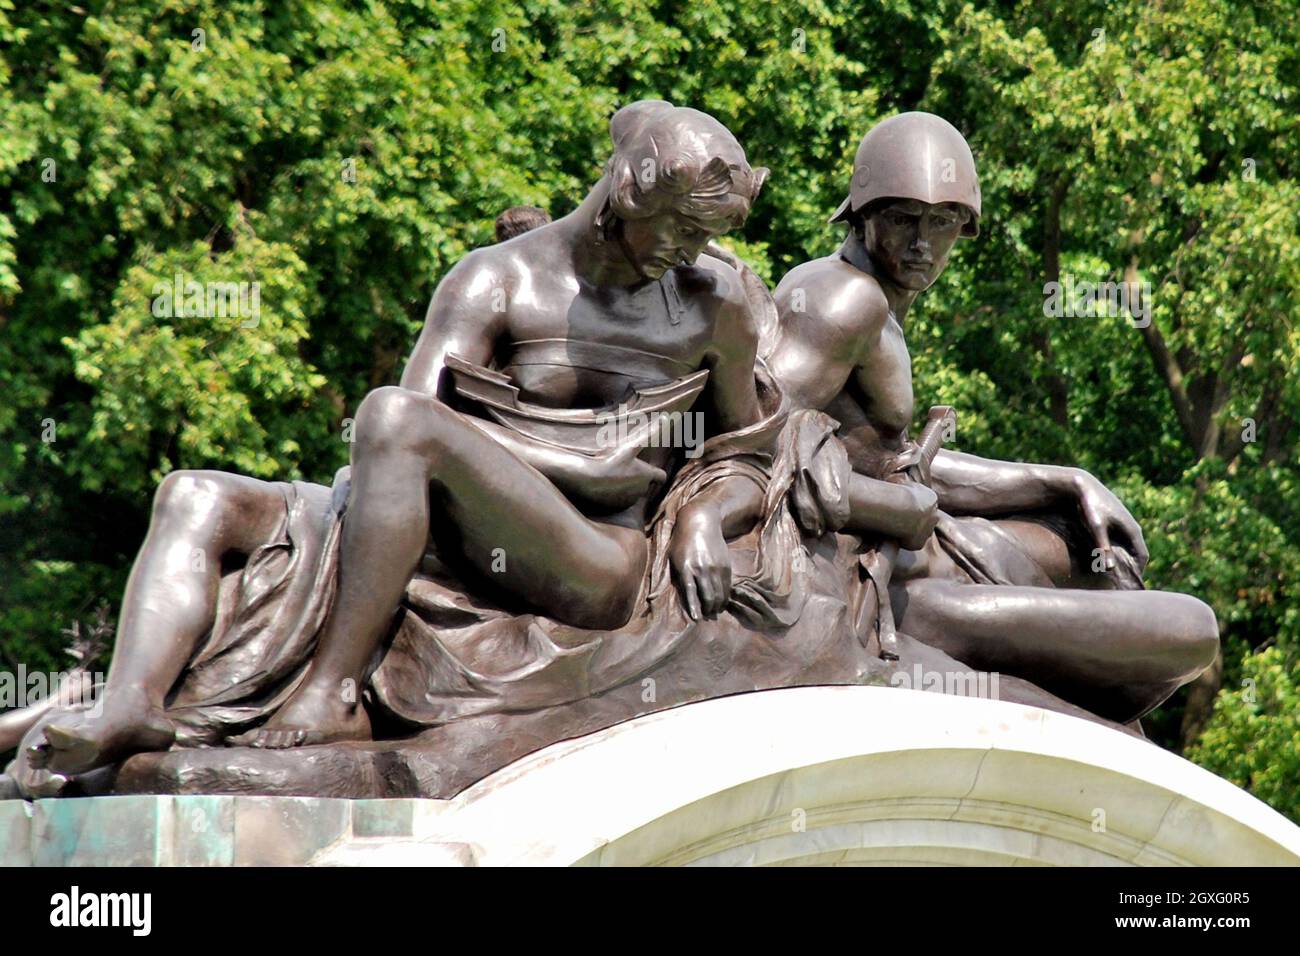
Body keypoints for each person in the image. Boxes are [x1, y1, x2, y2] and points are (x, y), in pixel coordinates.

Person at [33, 100, 772, 771]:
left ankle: (333, 688)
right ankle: (130, 703)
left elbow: (752, 455)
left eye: (708, 235)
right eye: (683, 226)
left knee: (393, 415)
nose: (691, 251)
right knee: (194, 494)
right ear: (628, 192)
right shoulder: (497, 280)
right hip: (455, 532)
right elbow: (394, 444)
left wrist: (705, 514)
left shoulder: (713, 307)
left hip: (596, 558)